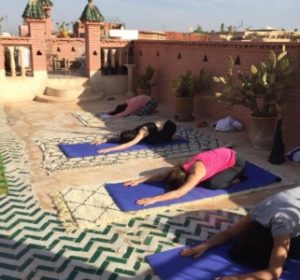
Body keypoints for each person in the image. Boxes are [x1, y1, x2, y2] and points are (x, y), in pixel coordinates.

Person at [181, 186, 300, 280]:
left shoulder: (282, 227)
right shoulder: (259, 212)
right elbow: (229, 233)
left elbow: (274, 272)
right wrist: (205, 245)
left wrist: (238, 278)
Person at [124, 147, 246, 206]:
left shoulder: (196, 173)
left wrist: (153, 199)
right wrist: (140, 180)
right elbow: (162, 175)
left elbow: (179, 193)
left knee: (212, 184)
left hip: (236, 162)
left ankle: (237, 178)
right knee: (204, 179)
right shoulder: (181, 167)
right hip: (220, 154)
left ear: (186, 179)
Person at [93, 120, 177, 154]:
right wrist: (104, 140)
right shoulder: (135, 130)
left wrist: (108, 149)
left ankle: (171, 136)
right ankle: (169, 136)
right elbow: (119, 135)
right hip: (161, 125)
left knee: (152, 141)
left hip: (169, 126)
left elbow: (128, 145)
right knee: (149, 139)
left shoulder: (142, 133)